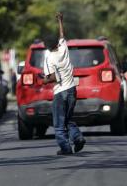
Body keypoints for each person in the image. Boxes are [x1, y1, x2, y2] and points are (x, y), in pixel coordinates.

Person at [41, 12, 86, 155]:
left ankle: (65, 148)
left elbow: (52, 77)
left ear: (47, 47)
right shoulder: (63, 48)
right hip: (72, 89)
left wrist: (43, 80)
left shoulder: (49, 58)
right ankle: (78, 138)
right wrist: (60, 20)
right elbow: (62, 35)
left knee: (59, 123)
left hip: (60, 93)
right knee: (68, 118)